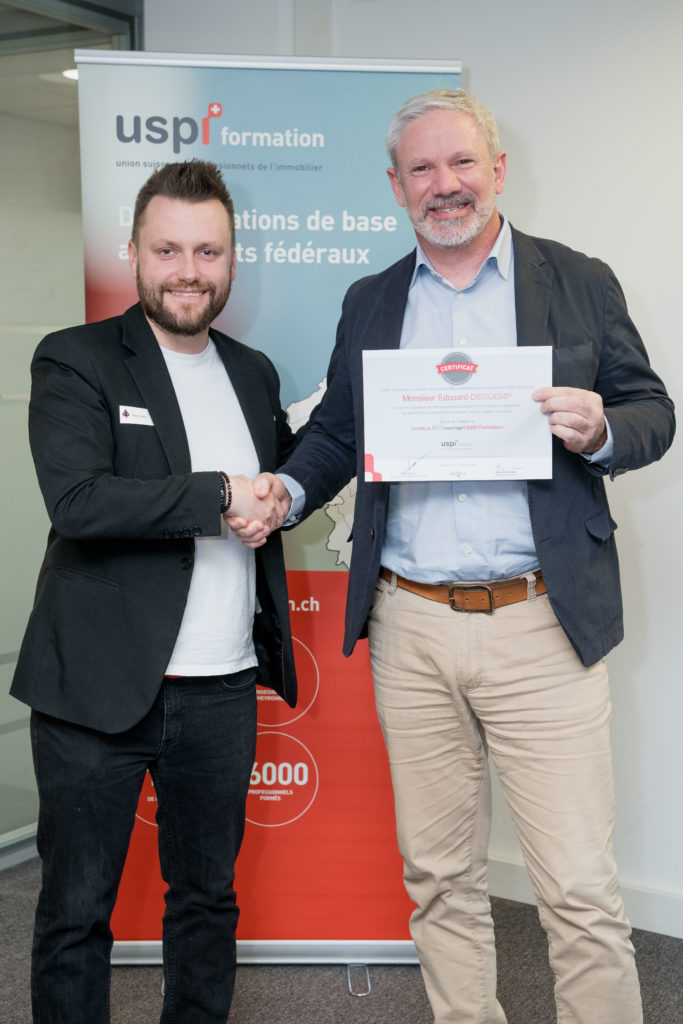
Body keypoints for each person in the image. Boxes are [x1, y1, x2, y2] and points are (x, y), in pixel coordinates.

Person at [232, 90, 675, 1023]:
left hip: (540, 623)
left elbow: (652, 411)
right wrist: (287, 492)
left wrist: (601, 428)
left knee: (578, 890)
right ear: (395, 186)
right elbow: (338, 434)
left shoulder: (577, 280)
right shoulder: (371, 299)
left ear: (497, 169)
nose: (445, 184)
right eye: (422, 169)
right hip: (411, 628)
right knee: (438, 878)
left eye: (462, 162)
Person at [11, 159, 296, 1024]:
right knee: (76, 911)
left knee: (207, 900)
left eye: (208, 251)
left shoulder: (254, 373)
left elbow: (276, 489)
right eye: (168, 249)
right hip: (95, 689)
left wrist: (279, 497)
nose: (188, 271)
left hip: (221, 689)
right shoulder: (77, 358)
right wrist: (222, 494)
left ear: (232, 260)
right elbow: (79, 501)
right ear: (133, 252)